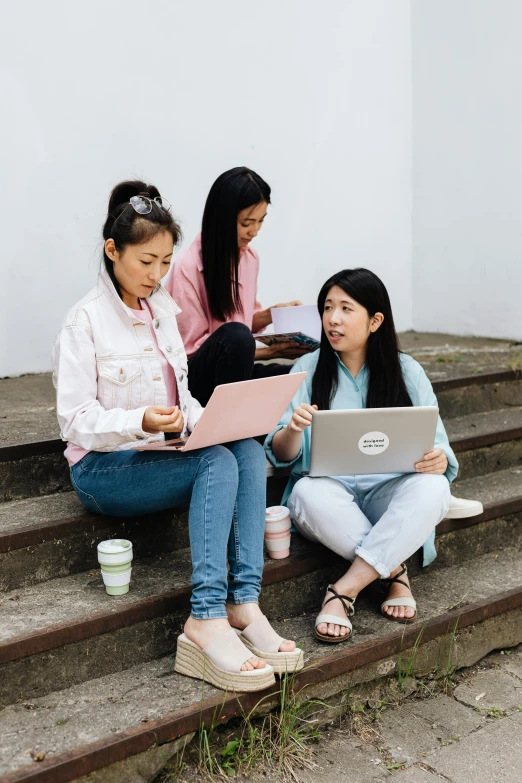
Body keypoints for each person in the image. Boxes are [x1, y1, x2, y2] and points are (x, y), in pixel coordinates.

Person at [52, 180, 303, 690]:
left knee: (246, 449)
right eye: (146, 261)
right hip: (103, 468)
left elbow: (182, 393)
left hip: (160, 450)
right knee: (217, 463)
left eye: (165, 262)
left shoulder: (163, 313)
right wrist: (140, 420)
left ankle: (243, 603)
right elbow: (75, 420)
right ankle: (204, 619)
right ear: (112, 250)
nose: (156, 274)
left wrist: (202, 419)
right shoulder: (84, 323)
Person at [265, 268, 459, 643]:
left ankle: (344, 591)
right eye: (327, 307)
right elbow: (280, 454)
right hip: (330, 496)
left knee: (435, 490)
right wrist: (293, 430)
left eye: (345, 308)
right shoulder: (306, 368)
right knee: (306, 493)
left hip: (390, 495)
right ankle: (394, 571)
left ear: (375, 320)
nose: (332, 319)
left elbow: (439, 448)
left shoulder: (407, 371)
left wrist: (437, 460)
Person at [166, 166, 309, 406]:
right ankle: (231, 426)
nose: (255, 231)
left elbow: (242, 323)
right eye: (247, 222)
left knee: (301, 375)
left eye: (261, 221)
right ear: (222, 218)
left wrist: (273, 315)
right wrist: (271, 353)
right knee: (237, 337)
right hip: (196, 383)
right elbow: (194, 351)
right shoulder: (187, 266)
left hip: (235, 375)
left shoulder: (249, 258)